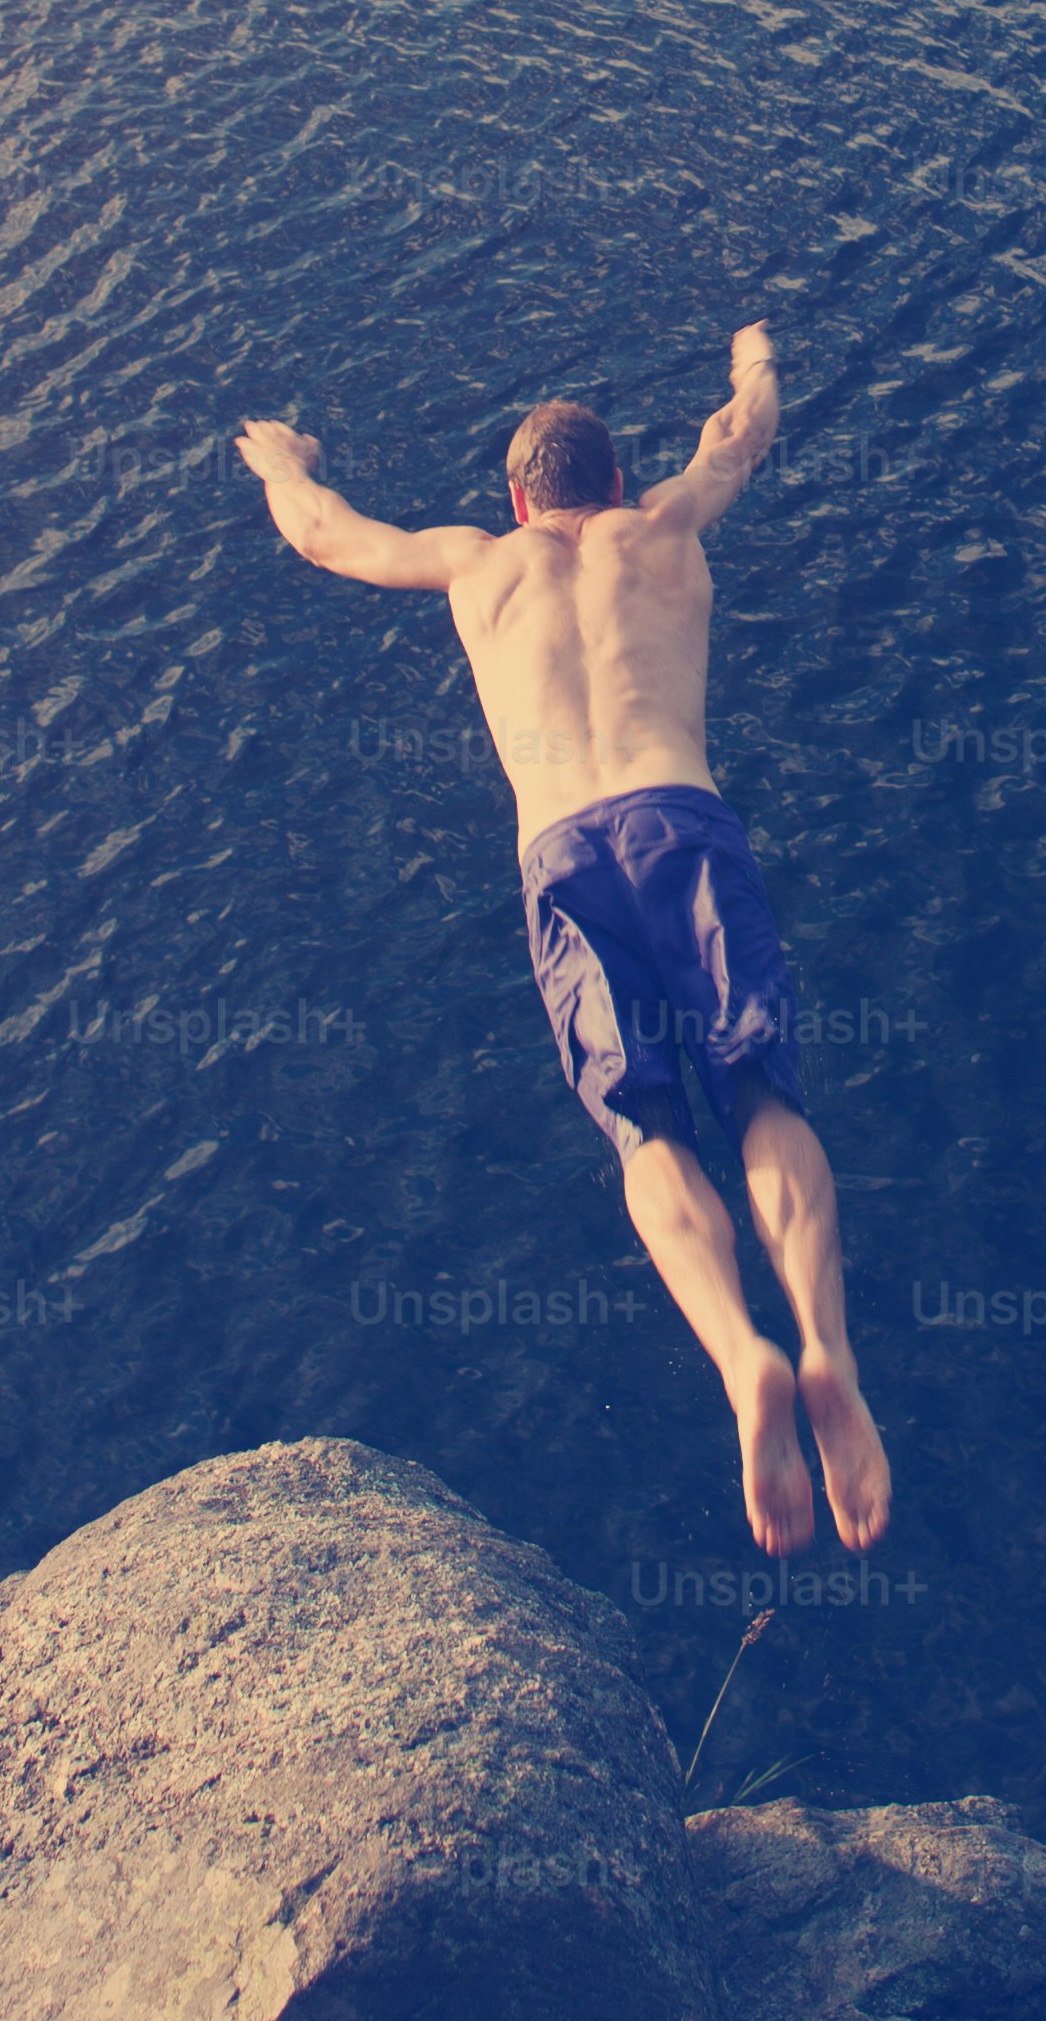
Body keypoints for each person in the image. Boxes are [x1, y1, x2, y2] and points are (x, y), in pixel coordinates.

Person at [235, 324, 890, 1556]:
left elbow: (327, 534)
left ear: (519, 499)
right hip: (683, 822)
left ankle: (740, 1354)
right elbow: (741, 437)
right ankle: (823, 1348)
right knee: (762, 1097)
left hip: (564, 859)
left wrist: (285, 460)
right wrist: (753, 357)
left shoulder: (480, 565)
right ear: (619, 485)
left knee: (645, 1128)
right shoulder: (668, 531)